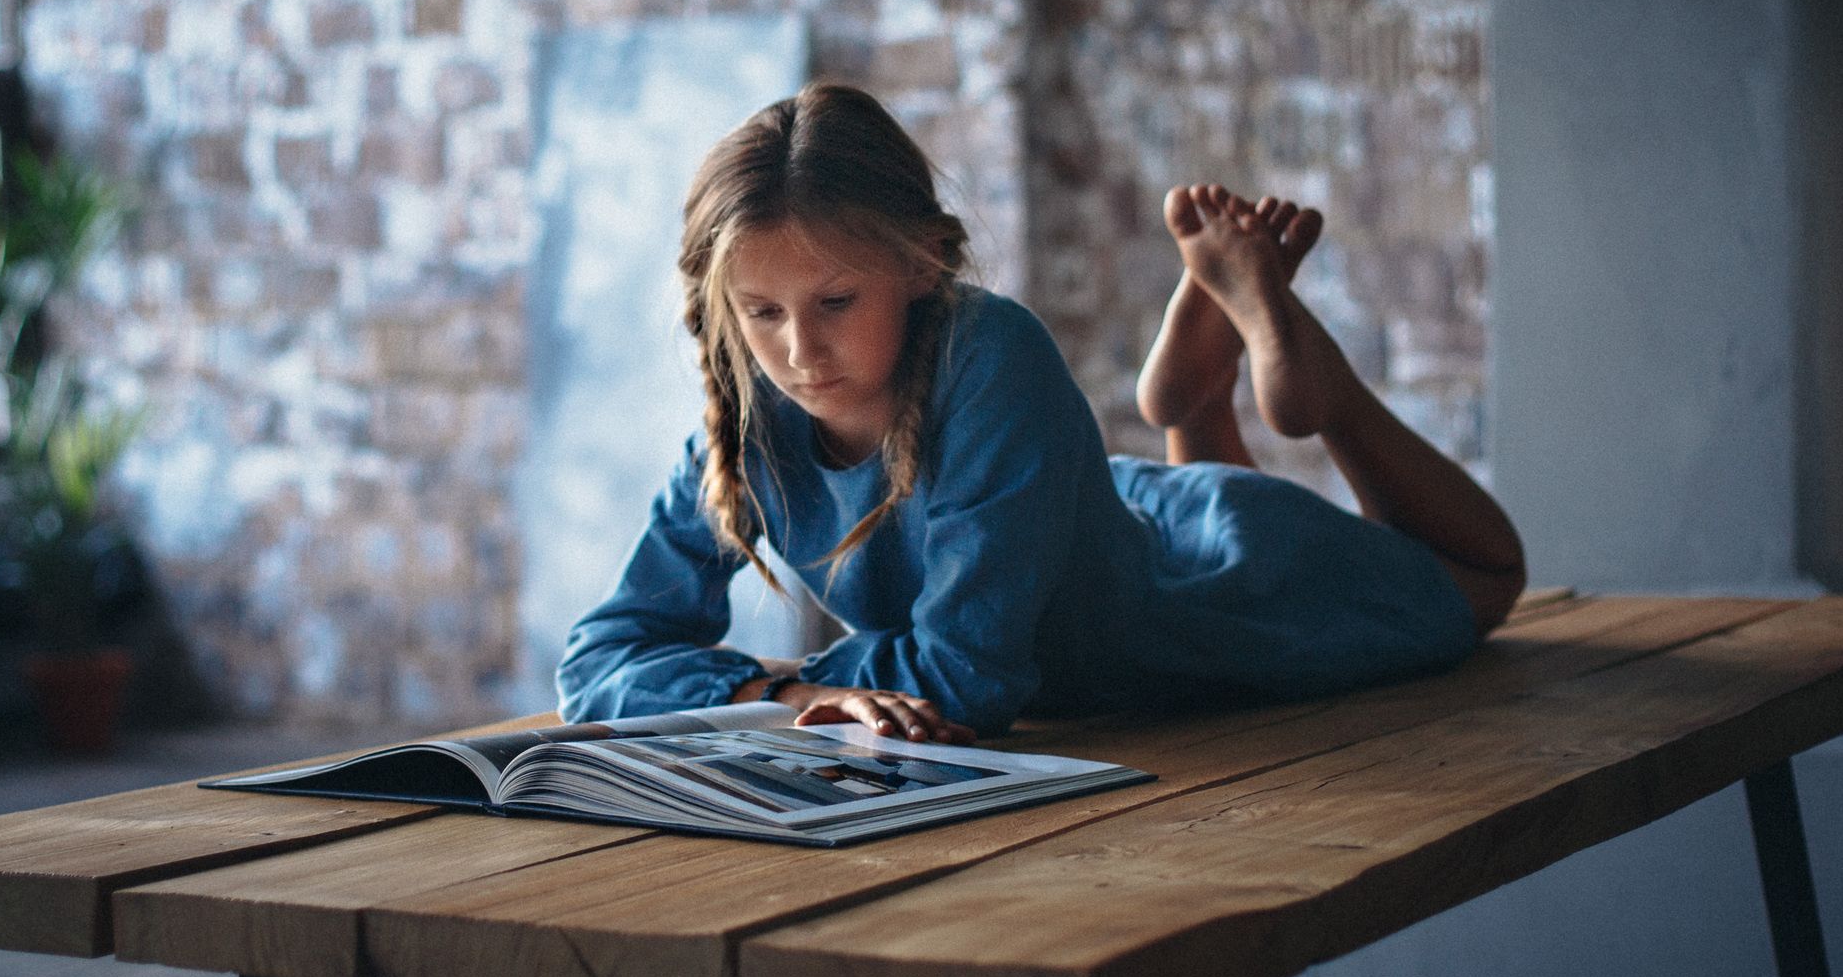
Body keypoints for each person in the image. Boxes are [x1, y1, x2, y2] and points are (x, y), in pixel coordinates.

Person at [554, 83, 1525, 743]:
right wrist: (792, 691)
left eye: (835, 303)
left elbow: (969, 679)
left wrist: (758, 687)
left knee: (1483, 580)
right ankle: (1193, 399)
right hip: (1107, 534)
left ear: (922, 260)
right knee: (1202, 496)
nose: (798, 351)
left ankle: (1323, 392)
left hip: (1203, 600)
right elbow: (595, 659)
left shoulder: (991, 351)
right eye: (760, 314)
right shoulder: (746, 418)